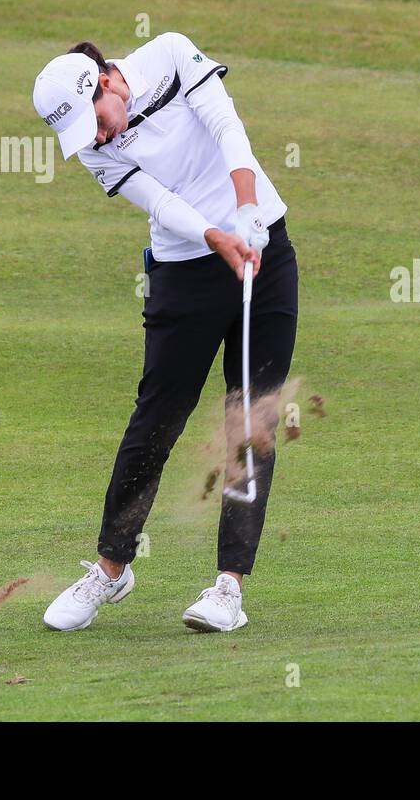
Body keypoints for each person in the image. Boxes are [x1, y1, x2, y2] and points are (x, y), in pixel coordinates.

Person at [30, 32, 298, 633]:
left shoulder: (171, 55)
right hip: (184, 272)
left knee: (250, 417)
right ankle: (110, 568)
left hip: (264, 251)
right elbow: (161, 200)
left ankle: (228, 588)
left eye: (95, 120)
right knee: (156, 419)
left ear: (105, 82)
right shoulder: (98, 150)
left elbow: (229, 130)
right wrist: (216, 236)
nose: (98, 137)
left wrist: (248, 210)